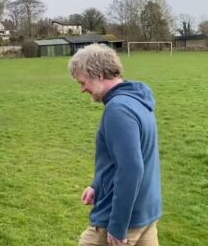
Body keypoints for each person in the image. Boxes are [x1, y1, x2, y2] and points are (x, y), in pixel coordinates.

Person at [68, 44, 162, 246]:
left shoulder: (118, 109)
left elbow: (131, 169)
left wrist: (118, 226)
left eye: (83, 82)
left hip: (121, 219)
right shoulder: (137, 99)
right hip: (146, 213)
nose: (82, 88)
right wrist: (97, 185)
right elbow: (126, 158)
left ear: (100, 75)